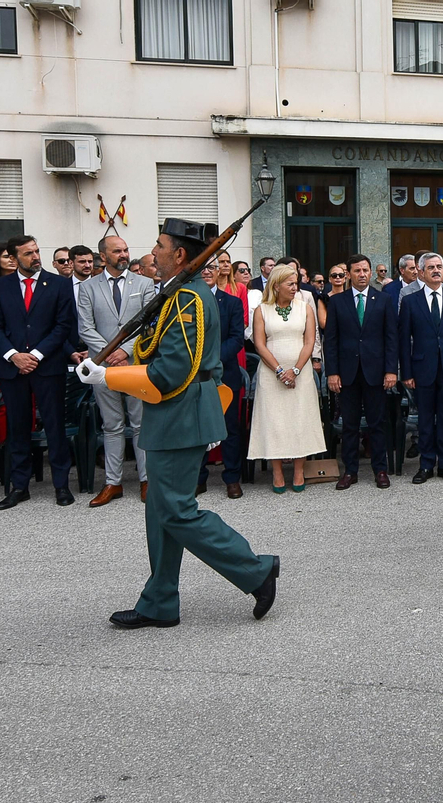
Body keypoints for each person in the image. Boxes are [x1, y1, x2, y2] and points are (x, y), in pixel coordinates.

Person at [75, 219, 280, 629]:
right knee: (161, 512)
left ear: (180, 255)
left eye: (160, 245)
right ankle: (160, 601)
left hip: (181, 411)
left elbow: (170, 371)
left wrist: (108, 376)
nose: (153, 253)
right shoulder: (176, 294)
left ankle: (255, 569)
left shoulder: (187, 299)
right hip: (175, 413)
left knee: (177, 511)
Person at [0, 235, 77, 509]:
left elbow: (63, 326)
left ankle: (61, 485)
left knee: (55, 426)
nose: (35, 257)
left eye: (37, 251)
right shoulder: (0, 287)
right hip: (13, 368)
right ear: (13, 259)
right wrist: (14, 356)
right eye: (28, 253)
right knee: (17, 427)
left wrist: (35, 355)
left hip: (47, 366)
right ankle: (19, 486)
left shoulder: (59, 284)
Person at [76, 234, 157, 505]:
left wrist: (127, 350)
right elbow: (85, 327)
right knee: (111, 425)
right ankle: (113, 483)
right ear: (103, 256)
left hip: (135, 364)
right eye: (117, 251)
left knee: (140, 423)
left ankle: (146, 480)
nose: (123, 254)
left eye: (125, 250)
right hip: (103, 366)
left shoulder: (145, 284)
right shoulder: (88, 288)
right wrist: (111, 355)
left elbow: (149, 323)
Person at [247, 263, 327, 491]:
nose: (295, 288)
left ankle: (300, 471)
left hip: (300, 373)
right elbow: (259, 344)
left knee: (300, 419)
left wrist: (297, 370)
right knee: (275, 422)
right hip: (271, 374)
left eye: (296, 284)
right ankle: (278, 473)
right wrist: (280, 371)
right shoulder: (261, 310)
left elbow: (309, 341)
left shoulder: (305, 308)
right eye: (290, 284)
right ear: (276, 285)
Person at [323, 255, 398, 489]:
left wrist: (390, 370)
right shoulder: (337, 302)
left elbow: (391, 338)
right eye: (357, 271)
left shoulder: (384, 300)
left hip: (376, 371)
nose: (363, 274)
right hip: (347, 372)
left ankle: (380, 470)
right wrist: (332, 373)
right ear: (349, 275)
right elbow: (331, 341)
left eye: (366, 270)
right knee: (350, 425)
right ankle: (350, 471)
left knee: (377, 423)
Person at [399, 252, 443, 484]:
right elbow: (403, 340)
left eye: (440, 266)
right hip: (422, 369)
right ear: (421, 272)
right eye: (431, 267)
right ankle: (426, 465)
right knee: (425, 420)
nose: (437, 270)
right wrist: (407, 373)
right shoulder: (410, 301)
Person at [198, 261, 250, 498]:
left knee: (230, 427)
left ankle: (232, 478)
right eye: (202, 267)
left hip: (225, 372)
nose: (207, 271)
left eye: (212, 267)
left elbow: (236, 338)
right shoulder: (187, 301)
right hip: (194, 375)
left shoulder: (232, 302)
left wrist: (211, 358)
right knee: (197, 427)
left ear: (220, 271)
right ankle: (198, 479)